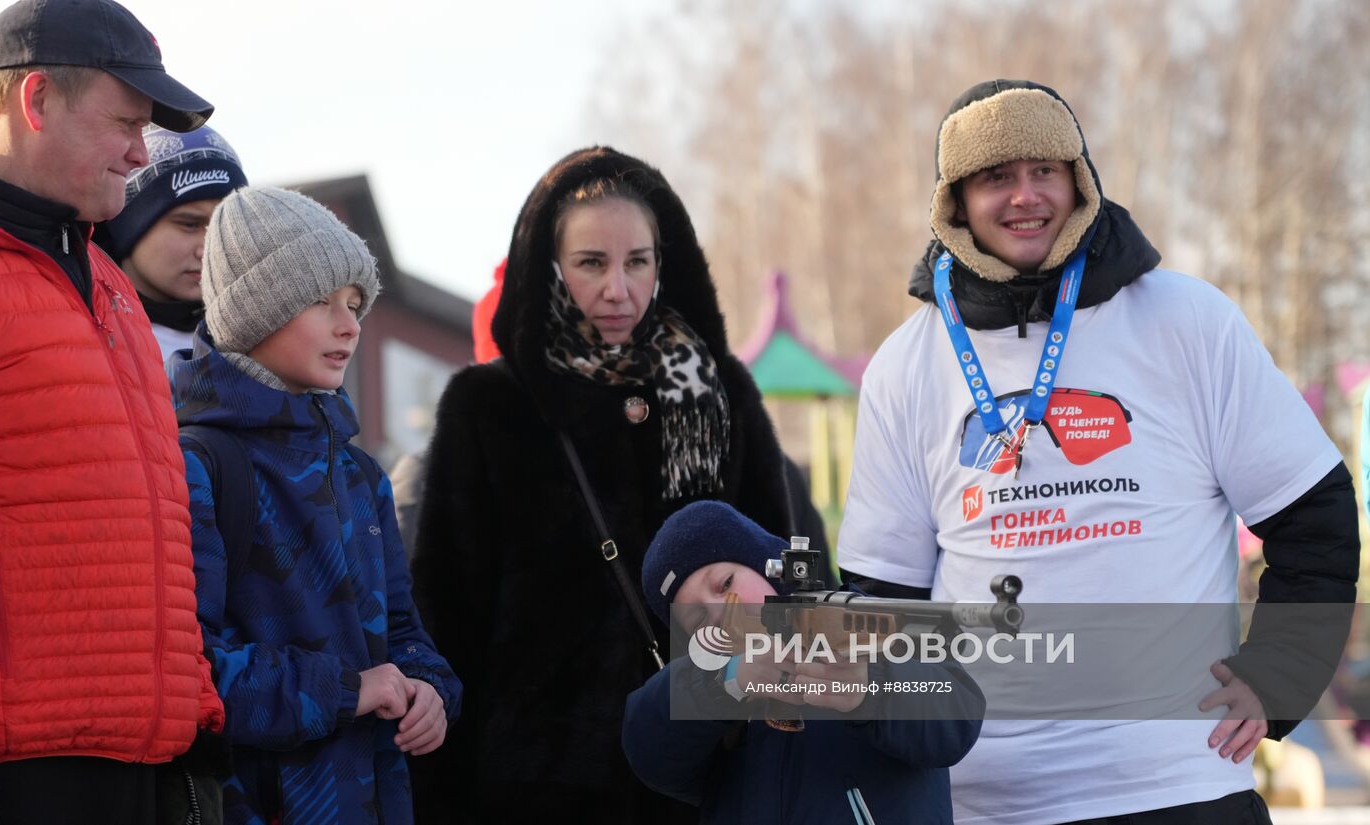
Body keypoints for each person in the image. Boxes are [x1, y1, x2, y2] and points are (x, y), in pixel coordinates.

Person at [836, 79, 1359, 824]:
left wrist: (1277, 676)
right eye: (996, 177)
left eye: (1045, 170)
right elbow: (883, 601)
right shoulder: (906, 364)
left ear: (1078, 180)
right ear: (954, 202)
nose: (1025, 197)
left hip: (1179, 788)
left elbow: (1317, 515)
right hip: (985, 803)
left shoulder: (1185, 320)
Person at [408, 146, 797, 824]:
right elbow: (447, 615)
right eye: (592, 263)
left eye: (637, 261)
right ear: (549, 267)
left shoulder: (719, 393)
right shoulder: (491, 405)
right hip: (536, 789)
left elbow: (785, 571)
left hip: (704, 770)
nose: (618, 288)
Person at [0, 1, 225, 823]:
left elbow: (153, 521)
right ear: (36, 101)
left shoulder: (110, 283)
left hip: (141, 761)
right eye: (124, 123)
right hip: (13, 774)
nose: (138, 152)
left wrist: (193, 716)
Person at [168, 185, 462, 824]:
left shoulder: (359, 472)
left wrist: (431, 690)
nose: (349, 323)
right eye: (318, 301)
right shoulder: (200, 466)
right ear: (254, 312)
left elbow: (403, 634)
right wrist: (346, 692)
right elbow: (188, 670)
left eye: (355, 303)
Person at [622, 500, 984, 824]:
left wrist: (870, 687)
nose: (718, 612)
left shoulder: (870, 623)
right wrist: (729, 679)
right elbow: (647, 748)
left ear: (767, 564)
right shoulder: (711, 704)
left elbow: (956, 716)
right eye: (698, 619)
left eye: (725, 583)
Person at [100, 123, 248, 358]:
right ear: (129, 224)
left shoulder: (259, 343)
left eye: (225, 226)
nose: (208, 250)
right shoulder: (84, 334)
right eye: (189, 224)